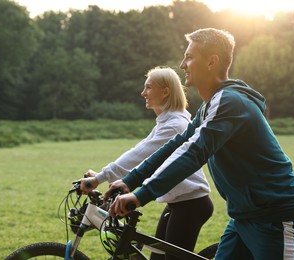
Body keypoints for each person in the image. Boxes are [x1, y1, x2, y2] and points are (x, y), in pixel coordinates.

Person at [106, 28, 294, 260]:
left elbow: (194, 153)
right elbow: (176, 145)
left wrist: (142, 195)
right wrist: (130, 181)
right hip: (244, 217)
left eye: (190, 57)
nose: (183, 64)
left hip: (276, 216)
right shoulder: (209, 107)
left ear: (212, 62)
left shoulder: (230, 102)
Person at [80, 66, 213, 260]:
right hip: (178, 204)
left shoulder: (175, 125)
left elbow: (138, 155)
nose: (143, 93)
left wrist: (100, 178)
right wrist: (108, 178)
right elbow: (142, 155)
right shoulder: (166, 122)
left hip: (190, 205)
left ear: (165, 91)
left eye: (148, 87)